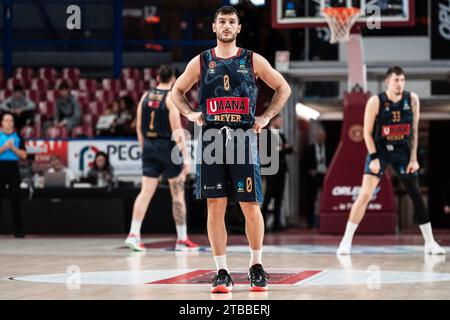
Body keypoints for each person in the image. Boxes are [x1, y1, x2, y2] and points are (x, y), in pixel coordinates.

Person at [170, 6, 291, 293]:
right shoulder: (201, 61)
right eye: (221, 21)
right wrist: (189, 114)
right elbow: (176, 91)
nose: (226, 26)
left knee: (250, 205)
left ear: (238, 28)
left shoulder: (252, 60)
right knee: (216, 206)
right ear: (214, 27)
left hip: (243, 140)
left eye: (231, 22)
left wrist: (265, 117)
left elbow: (283, 88)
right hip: (212, 140)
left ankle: (256, 266)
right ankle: (221, 271)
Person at [337, 66, 445, 255]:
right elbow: (367, 133)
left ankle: (429, 242)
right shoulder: (376, 101)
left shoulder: (412, 99)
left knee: (416, 194)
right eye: (396, 80)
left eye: (402, 80)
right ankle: (346, 241)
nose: (400, 84)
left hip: (403, 152)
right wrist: (375, 157)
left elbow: (414, 131)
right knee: (365, 195)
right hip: (380, 150)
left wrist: (413, 159)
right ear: (387, 81)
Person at [124, 65, 199, 252]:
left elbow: (139, 127)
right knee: (177, 193)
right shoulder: (171, 98)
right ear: (173, 79)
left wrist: (145, 148)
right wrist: (186, 156)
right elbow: (176, 130)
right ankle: (182, 239)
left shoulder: (145, 97)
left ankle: (134, 234)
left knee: (145, 192)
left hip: (149, 146)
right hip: (167, 148)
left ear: (157, 77)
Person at [262, 114, 294, 232]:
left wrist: (282, 148)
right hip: (270, 171)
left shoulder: (281, 135)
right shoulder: (266, 134)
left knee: (279, 198)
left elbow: (289, 149)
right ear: (273, 120)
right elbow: (266, 151)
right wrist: (281, 148)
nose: (281, 122)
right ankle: (263, 224)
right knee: (268, 197)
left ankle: (277, 224)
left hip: (281, 170)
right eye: (279, 120)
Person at [0, 112, 27, 238]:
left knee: (16, 199)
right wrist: (4, 148)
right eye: (6, 120)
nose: (8, 123)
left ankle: (19, 230)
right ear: (2, 123)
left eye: (10, 121)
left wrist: (12, 148)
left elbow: (23, 155)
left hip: (13, 167)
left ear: (13, 123)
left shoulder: (18, 137)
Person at [304, 129, 328, 229]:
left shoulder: (329, 147)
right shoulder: (310, 148)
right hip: (313, 176)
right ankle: (310, 222)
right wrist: (309, 169)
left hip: (325, 176)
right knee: (311, 199)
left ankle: (324, 222)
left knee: (325, 198)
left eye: (322, 136)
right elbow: (303, 162)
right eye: (318, 136)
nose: (320, 138)